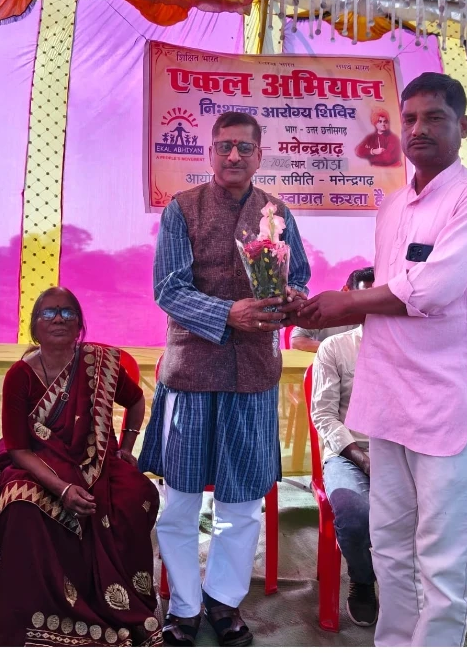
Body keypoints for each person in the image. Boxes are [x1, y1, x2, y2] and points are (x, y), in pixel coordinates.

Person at [293, 72, 467, 646]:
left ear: (462, 126)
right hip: (386, 397)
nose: (419, 129)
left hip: (444, 401)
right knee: (388, 543)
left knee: (441, 555)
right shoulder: (391, 208)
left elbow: (433, 289)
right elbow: (391, 297)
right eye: (409, 119)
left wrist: (345, 304)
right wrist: (311, 310)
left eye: (434, 118)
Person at [139, 111, 311, 646]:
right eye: (224, 146)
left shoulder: (277, 212)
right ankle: (184, 606)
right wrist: (227, 314)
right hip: (191, 375)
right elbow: (168, 288)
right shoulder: (182, 209)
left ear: (260, 156)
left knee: (241, 504)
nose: (233, 156)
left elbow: (300, 276)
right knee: (180, 502)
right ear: (210, 152)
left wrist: (292, 298)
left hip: (252, 378)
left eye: (244, 147)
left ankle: (223, 600)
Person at [0, 288, 161, 647]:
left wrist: (127, 447)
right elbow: (18, 449)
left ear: (79, 325)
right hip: (37, 463)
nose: (58, 319)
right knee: (21, 504)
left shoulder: (99, 363)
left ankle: (115, 603)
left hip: (98, 460)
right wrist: (62, 489)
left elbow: (136, 401)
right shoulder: (19, 376)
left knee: (138, 495)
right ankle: (40, 614)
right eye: (48, 313)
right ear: (34, 326)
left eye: (67, 313)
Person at [308, 269, 378, 626]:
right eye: (363, 298)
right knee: (352, 514)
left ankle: (405, 582)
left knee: (434, 508)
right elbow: (323, 415)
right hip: (348, 453)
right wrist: (362, 459)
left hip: (401, 451)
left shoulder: (413, 349)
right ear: (350, 297)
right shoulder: (335, 347)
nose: (372, 307)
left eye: (379, 298)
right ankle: (363, 580)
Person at [290, 268, 374, 351]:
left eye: (373, 297)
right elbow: (297, 340)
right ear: (345, 290)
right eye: (362, 296)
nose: (368, 303)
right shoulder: (325, 307)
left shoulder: (378, 314)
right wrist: (333, 350)